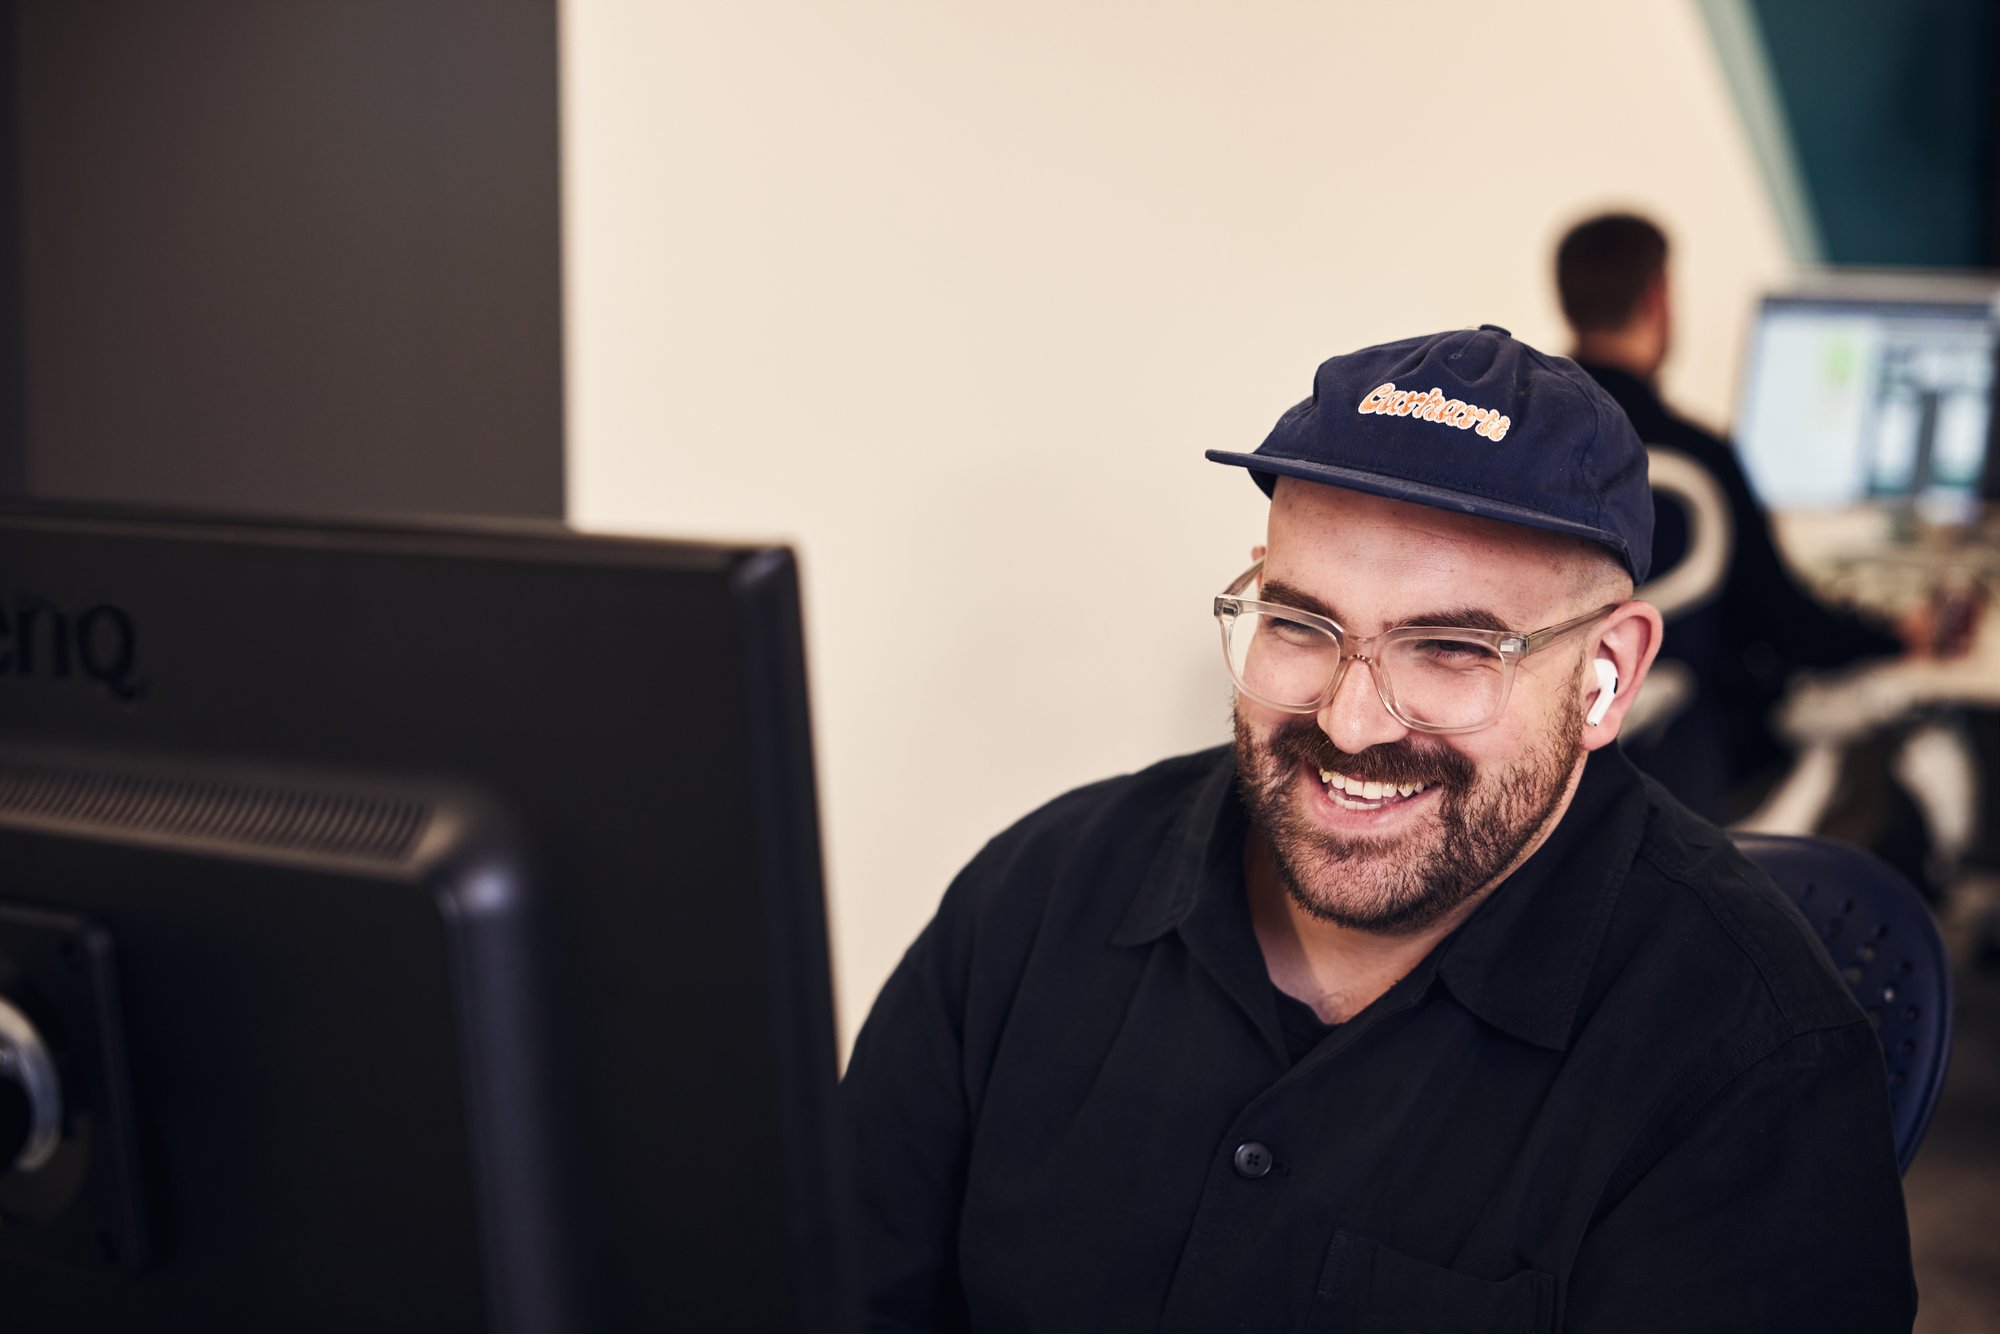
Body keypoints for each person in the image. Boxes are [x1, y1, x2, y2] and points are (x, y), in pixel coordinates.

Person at [840, 326, 1915, 1332]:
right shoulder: (1039, 893)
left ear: (1606, 674)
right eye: (1302, 624)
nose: (1350, 723)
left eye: (1449, 648)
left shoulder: (1750, 1063)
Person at [1554, 213, 1909, 822]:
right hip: (1692, 774)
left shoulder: (1529, 445)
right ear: (1658, 298)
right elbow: (1792, 631)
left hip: (1558, 760)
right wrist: (1902, 635)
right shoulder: (1699, 461)